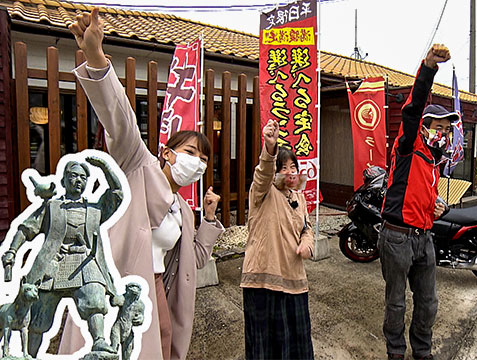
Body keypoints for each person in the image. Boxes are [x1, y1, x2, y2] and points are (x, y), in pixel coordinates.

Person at [62, 8, 225, 360]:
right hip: (113, 289)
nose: (198, 163)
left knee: (163, 347)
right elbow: (118, 115)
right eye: (191, 152)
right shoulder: (137, 163)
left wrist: (209, 221)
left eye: (204, 159)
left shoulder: (182, 208)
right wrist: (96, 55)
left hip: (154, 291)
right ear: (167, 153)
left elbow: (193, 259)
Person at [378, 43, 456, 360]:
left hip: (424, 238)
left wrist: (439, 205)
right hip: (396, 237)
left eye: (448, 130)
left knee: (428, 301)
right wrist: (429, 67)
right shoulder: (408, 145)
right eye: (439, 128)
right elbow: (412, 107)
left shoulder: (434, 161)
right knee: (396, 301)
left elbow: (424, 195)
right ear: (424, 128)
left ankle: (422, 352)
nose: (444, 134)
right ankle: (395, 352)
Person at [2, 157, 122, 357]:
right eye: (73, 176)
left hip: (85, 262)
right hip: (53, 264)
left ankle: (99, 341)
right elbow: (27, 229)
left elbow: (117, 194)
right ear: (64, 180)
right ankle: (30, 354)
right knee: (39, 317)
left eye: (83, 178)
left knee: (95, 300)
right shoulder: (52, 207)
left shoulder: (95, 210)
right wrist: (12, 251)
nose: (78, 181)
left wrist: (105, 167)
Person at [241, 119, 315, 359]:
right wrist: (269, 147)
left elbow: (307, 227)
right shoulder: (262, 192)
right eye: (283, 167)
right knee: (267, 346)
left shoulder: (299, 197)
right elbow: (263, 173)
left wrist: (307, 243)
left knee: (296, 344)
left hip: (294, 279)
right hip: (263, 280)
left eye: (293, 167)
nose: (290, 172)